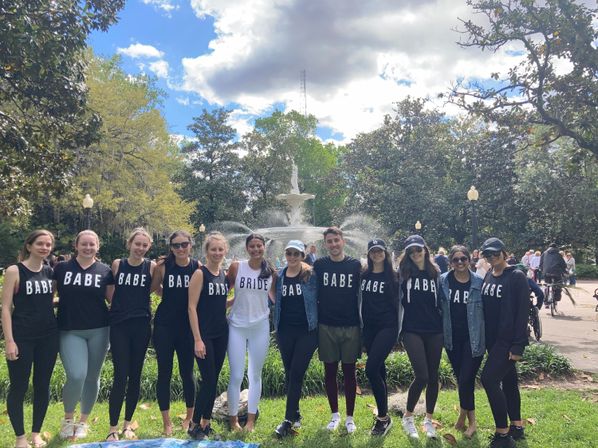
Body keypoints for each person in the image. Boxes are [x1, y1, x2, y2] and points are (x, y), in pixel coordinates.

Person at [54, 230, 114, 439]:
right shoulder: (61, 268)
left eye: (92, 244)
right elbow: (50, 295)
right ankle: (68, 419)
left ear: (98, 246)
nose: (88, 248)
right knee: (76, 375)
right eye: (84, 244)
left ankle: (83, 422)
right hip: (70, 330)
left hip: (99, 329)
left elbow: (112, 300)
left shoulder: (105, 271)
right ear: (76, 245)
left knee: (91, 377)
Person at [2, 230, 58, 448]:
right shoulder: (15, 271)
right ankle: (20, 438)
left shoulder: (49, 271)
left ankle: (35, 433)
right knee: (19, 386)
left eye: (48, 244)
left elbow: (48, 300)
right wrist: (9, 340)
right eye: (40, 244)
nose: (44, 248)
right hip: (22, 336)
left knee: (42, 386)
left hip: (48, 336)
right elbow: (6, 308)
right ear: (29, 246)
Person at [106, 228, 156, 441]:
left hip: (141, 325)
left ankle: (128, 425)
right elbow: (111, 293)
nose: (140, 248)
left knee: (135, 375)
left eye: (145, 245)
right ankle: (112, 428)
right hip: (119, 326)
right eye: (137, 244)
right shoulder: (119, 264)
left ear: (148, 247)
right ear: (129, 244)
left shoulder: (151, 267)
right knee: (120, 375)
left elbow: (151, 290)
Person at [479, 238, 529, 448]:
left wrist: (518, 345)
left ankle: (502, 434)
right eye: (487, 255)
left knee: (489, 379)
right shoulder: (490, 274)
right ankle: (516, 426)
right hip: (492, 340)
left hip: (507, 340)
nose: (492, 257)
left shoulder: (516, 276)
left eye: (495, 253)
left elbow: (522, 313)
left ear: (504, 253)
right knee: (508, 382)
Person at [313, 227, 362, 433]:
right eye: (330, 241)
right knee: (330, 371)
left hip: (351, 325)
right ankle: (335, 415)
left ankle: (350, 417)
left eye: (336, 240)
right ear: (325, 244)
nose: (333, 244)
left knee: (350, 372)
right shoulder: (319, 265)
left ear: (343, 241)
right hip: (326, 325)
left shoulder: (355, 265)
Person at [151, 230, 199, 436]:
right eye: (176, 245)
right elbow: (154, 288)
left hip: (187, 327)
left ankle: (189, 418)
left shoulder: (197, 267)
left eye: (184, 244)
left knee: (187, 373)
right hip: (164, 325)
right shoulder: (163, 266)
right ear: (171, 247)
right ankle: (167, 422)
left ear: (190, 245)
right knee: (164, 373)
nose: (180, 249)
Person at [226, 233, 276, 432]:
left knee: (255, 375)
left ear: (264, 247)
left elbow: (274, 297)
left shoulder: (271, 271)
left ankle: (250, 421)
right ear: (247, 248)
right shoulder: (237, 267)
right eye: (252, 246)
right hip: (236, 326)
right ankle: (233, 421)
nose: (256, 249)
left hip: (260, 326)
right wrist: (226, 304)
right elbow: (223, 290)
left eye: (259, 246)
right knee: (236, 375)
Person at [272, 240, 318, 438]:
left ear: (302, 255)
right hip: (285, 331)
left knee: (297, 372)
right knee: (290, 373)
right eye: (289, 253)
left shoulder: (310, 275)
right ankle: (296, 413)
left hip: (307, 331)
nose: (292, 257)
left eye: (296, 254)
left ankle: (288, 421)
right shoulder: (280, 275)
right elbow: (272, 293)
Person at [398, 235, 442, 440]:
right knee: (422, 375)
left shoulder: (435, 273)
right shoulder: (403, 273)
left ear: (425, 249)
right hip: (411, 329)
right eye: (411, 251)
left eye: (418, 249)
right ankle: (408, 417)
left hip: (434, 329)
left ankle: (428, 419)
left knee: (433, 377)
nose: (415, 253)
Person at [187, 232, 230, 440]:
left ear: (225, 251)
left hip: (222, 333)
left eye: (220, 249)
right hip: (204, 335)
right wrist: (197, 339)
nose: (217, 253)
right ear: (207, 251)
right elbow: (191, 307)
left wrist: (239, 299)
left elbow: (220, 302)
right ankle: (193, 425)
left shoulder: (223, 274)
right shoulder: (200, 274)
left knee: (213, 380)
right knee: (209, 379)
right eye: (213, 249)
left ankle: (205, 423)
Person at [439, 245, 484, 439]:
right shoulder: (443, 281)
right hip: (452, 339)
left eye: (463, 259)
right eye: (455, 260)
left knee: (466, 378)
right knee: (462, 380)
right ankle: (463, 417)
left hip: (474, 339)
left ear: (469, 261)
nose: (459, 263)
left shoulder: (479, 283)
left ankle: (470, 422)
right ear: (450, 262)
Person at [360, 239, 401, 437]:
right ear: (369, 254)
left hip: (388, 327)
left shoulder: (394, 277)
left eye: (380, 251)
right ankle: (383, 412)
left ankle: (383, 419)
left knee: (371, 368)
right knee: (380, 370)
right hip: (369, 328)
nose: (376, 254)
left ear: (385, 253)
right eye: (373, 251)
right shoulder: (363, 275)